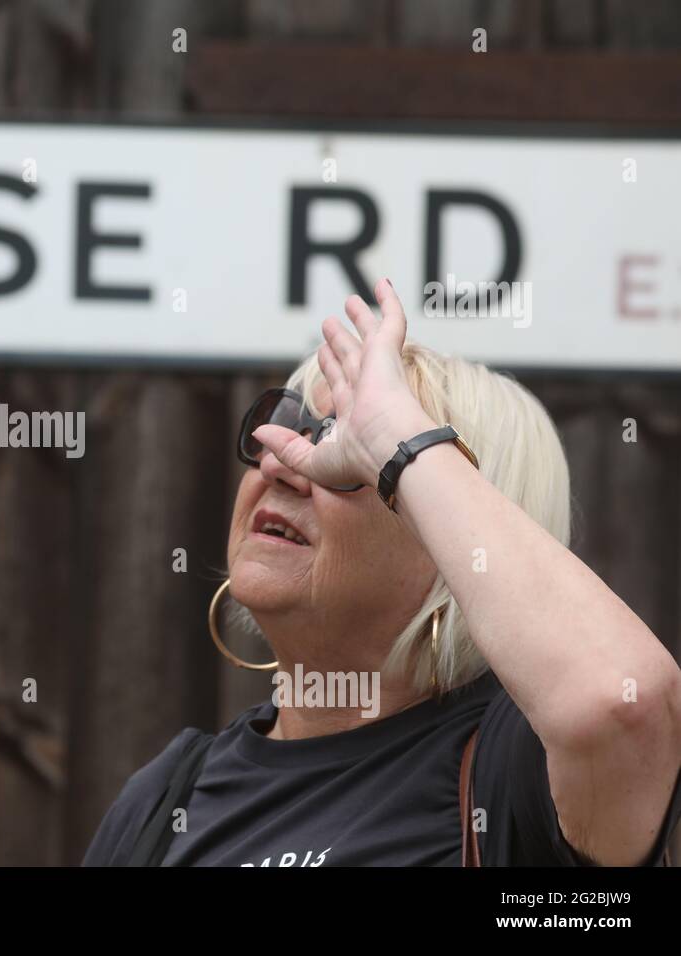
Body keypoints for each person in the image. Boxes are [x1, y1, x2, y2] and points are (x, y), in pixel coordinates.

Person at [82, 279, 681, 866]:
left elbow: (625, 703)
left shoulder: (516, 774)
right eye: (292, 430)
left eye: (348, 453)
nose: (281, 464)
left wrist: (400, 440)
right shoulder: (167, 799)